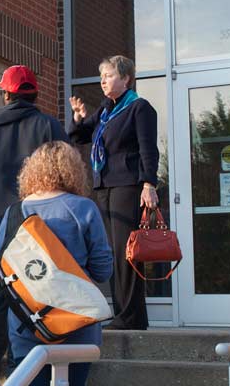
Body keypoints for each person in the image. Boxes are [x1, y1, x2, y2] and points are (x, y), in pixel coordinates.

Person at [0, 65, 67, 386]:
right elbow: (67, 176)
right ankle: (27, 370)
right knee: (36, 299)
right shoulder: (49, 127)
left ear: (6, 94)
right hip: (37, 231)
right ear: (34, 94)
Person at [0, 142, 113, 386]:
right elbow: (103, 271)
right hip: (76, 325)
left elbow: (2, 264)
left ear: (31, 171)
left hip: (27, 322)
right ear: (74, 171)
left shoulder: (14, 212)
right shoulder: (84, 208)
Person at [69, 55, 159, 330]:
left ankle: (129, 316)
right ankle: (127, 315)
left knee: (127, 252)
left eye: (108, 75)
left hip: (128, 186)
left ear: (126, 79)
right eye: (101, 77)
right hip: (105, 186)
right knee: (113, 252)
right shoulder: (106, 111)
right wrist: (78, 117)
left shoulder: (139, 108)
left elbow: (148, 149)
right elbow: (80, 136)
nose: (103, 81)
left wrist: (149, 184)